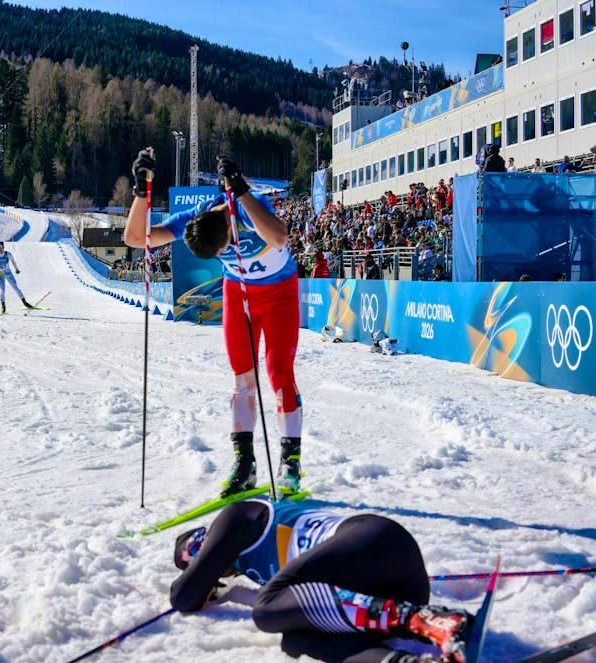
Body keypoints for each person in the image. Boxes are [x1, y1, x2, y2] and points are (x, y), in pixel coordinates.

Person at [123, 148, 303, 498]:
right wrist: (140, 193)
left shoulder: (247, 209)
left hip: (279, 292)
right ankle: (244, 463)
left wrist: (241, 191)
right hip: (239, 294)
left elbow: (280, 237)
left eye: (223, 250)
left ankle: (291, 464)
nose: (224, 254)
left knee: (280, 373)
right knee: (241, 379)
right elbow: (135, 239)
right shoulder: (200, 217)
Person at [170, 499, 474, 663]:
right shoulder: (250, 566)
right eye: (192, 559)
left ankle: (428, 619)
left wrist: (194, 576)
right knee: (295, 639)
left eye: (197, 546)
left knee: (266, 611)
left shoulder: (237, 515)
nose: (200, 556)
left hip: (378, 543)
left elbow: (184, 597)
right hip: (387, 589)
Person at [0, 241, 33, 314]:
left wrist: (16, 269)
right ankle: (3, 307)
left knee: (15, 287)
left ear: (3, 247)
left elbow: (13, 262)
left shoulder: (8, 254)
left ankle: (25, 302)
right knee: (2, 290)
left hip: (8, 272)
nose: (0, 249)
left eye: (1, 247)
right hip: (0, 273)